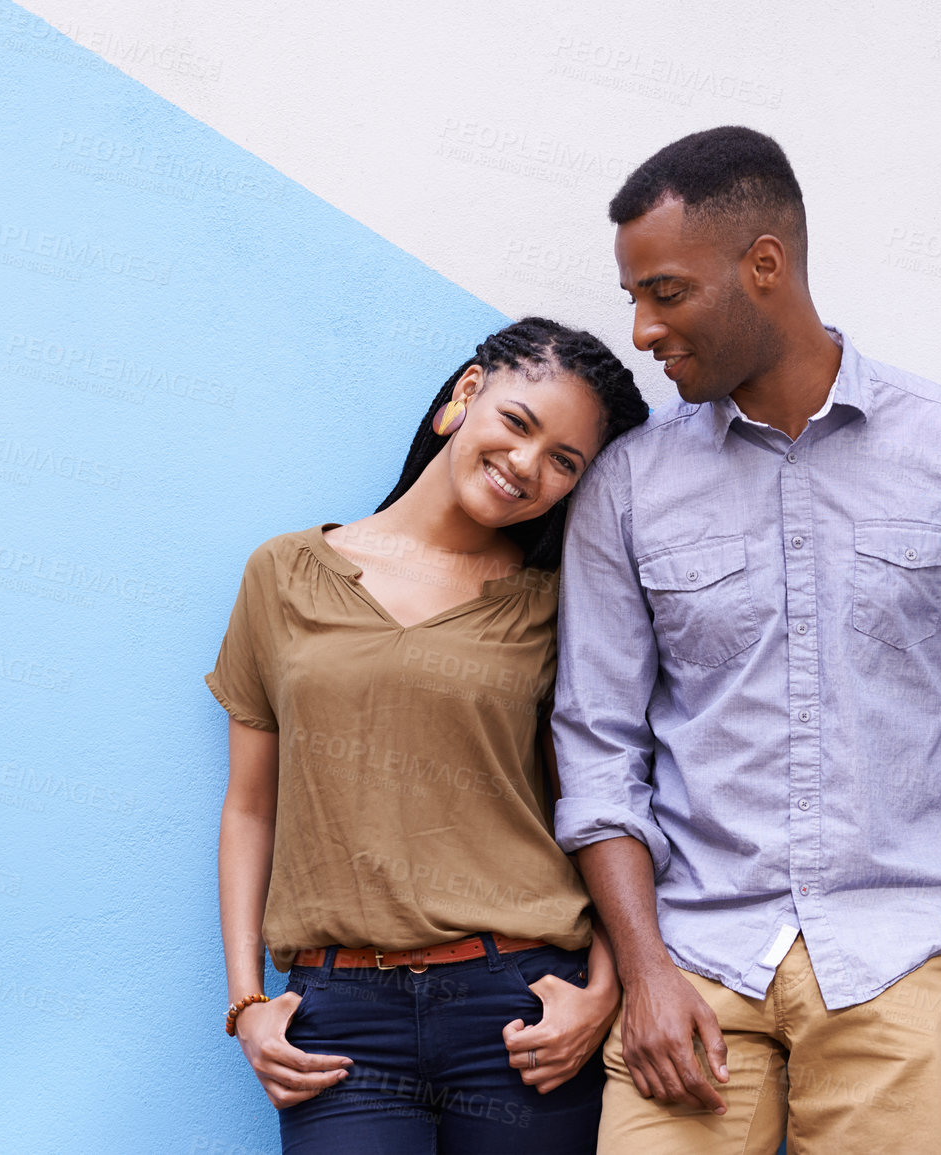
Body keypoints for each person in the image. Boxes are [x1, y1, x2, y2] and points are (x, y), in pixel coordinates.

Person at [552, 126, 941, 1153]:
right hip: (693, 965)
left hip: (896, 958)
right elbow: (597, 749)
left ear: (765, 265)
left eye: (665, 292)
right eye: (634, 298)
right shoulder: (628, 486)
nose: (641, 329)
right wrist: (647, 973)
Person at [208, 317, 650, 1154]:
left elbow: (598, 802)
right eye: (518, 423)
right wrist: (245, 1001)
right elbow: (249, 808)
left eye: (565, 461)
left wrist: (603, 987)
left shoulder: (557, 606)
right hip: (339, 1021)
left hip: (520, 1007)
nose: (528, 465)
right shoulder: (285, 573)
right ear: (466, 394)